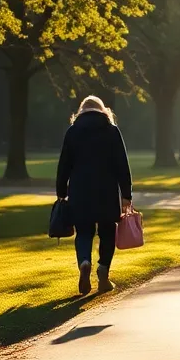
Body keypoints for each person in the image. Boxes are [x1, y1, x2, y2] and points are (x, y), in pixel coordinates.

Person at [56, 96, 133, 295]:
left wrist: (61, 192)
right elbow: (122, 164)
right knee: (107, 232)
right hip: (106, 190)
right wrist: (126, 194)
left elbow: (64, 164)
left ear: (81, 112)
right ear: (103, 110)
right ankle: (103, 272)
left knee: (83, 232)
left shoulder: (73, 132)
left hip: (80, 190)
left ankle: (84, 261)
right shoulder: (111, 130)